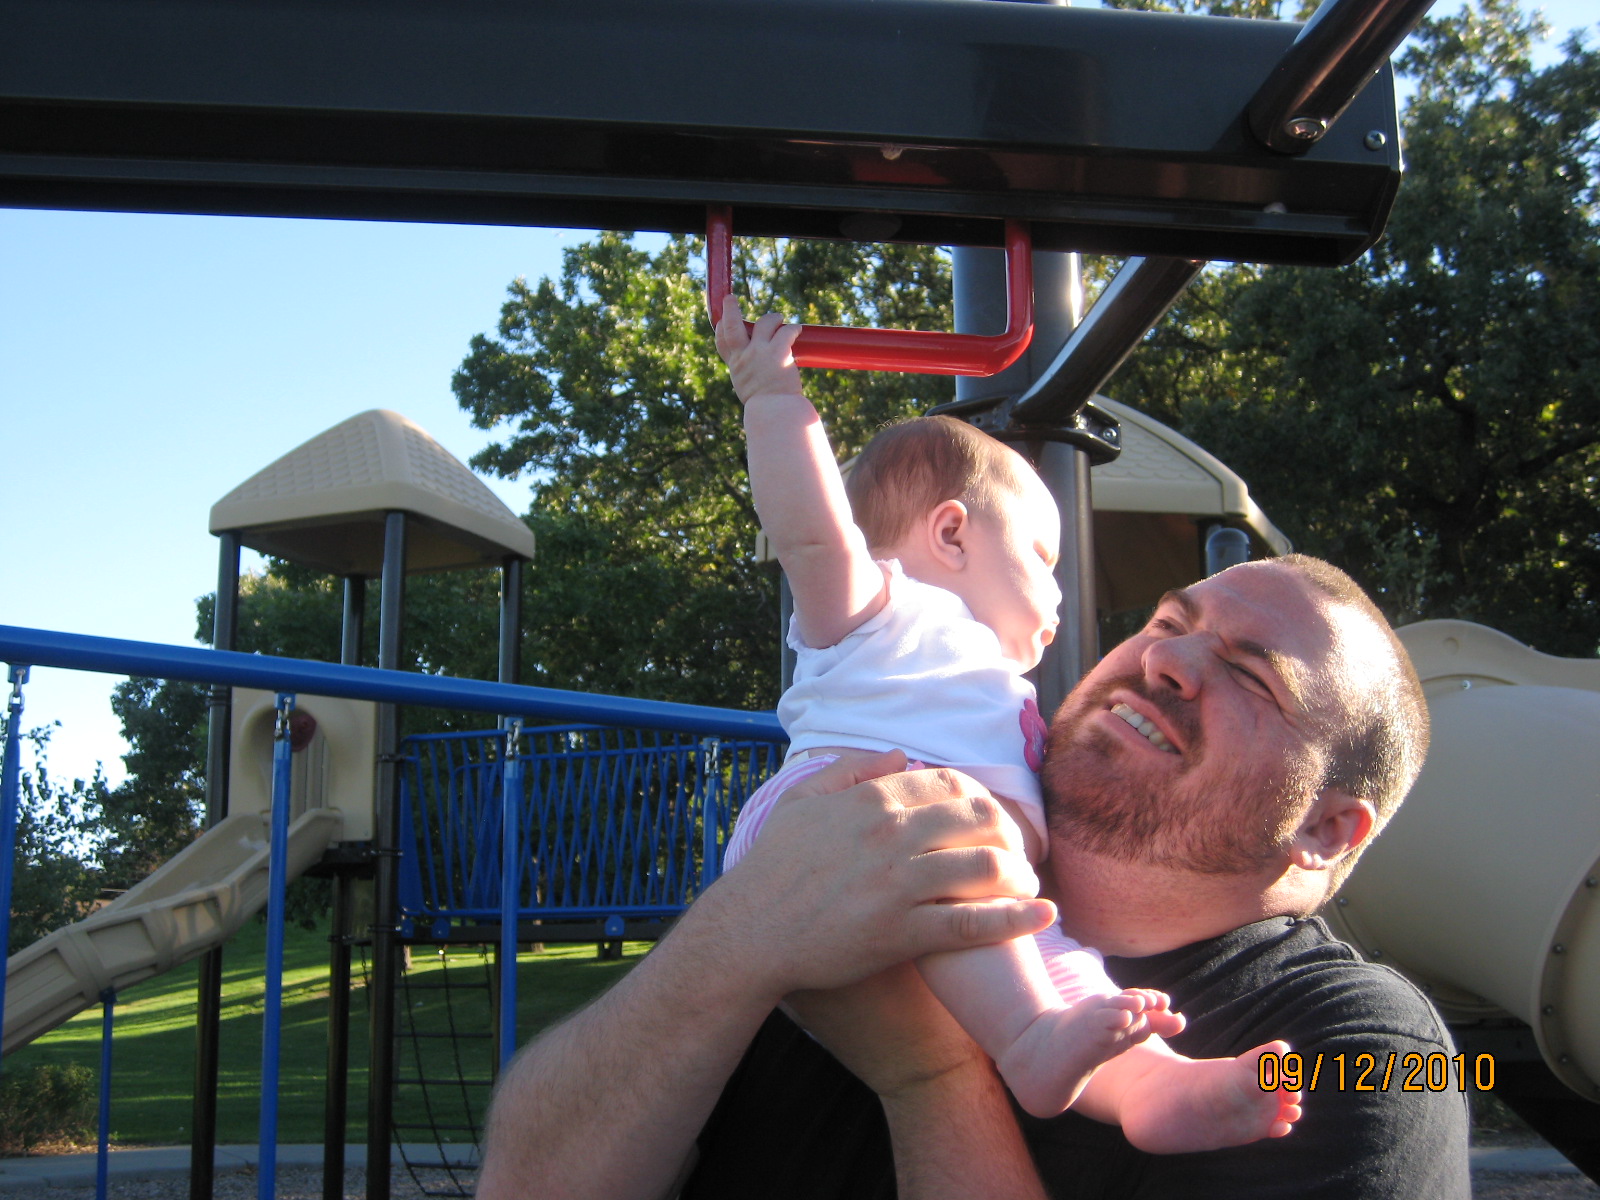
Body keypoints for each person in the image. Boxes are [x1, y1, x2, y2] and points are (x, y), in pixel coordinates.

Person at [476, 552, 1470, 1200]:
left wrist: (932, 1077)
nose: (1166, 660)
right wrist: (736, 937)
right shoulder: (851, 868)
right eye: (1170, 620)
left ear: (1325, 829)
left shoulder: (1372, 1053)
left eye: (1252, 675)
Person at [711, 297, 1297, 1145]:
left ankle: (1155, 1090)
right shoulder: (883, 613)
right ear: (951, 534)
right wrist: (770, 396)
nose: (1058, 594)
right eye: (1042, 559)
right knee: (1001, 932)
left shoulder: (998, 685)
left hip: (952, 870)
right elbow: (811, 533)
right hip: (836, 826)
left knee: (1062, 967)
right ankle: (1030, 1045)